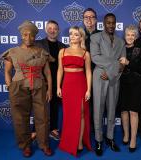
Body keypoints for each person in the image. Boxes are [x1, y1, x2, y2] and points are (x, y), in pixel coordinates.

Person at [2, 20, 53, 157]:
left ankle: (44, 144)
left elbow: (47, 72)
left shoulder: (42, 52)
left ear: (35, 36)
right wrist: (9, 85)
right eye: (25, 35)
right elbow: (7, 71)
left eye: (31, 35)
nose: (28, 38)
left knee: (42, 116)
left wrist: (50, 89)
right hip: (18, 87)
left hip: (39, 86)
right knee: (20, 118)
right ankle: (25, 145)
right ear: (21, 35)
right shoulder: (12, 52)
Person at [90, 13, 127, 156]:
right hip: (100, 76)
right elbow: (95, 57)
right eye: (108, 23)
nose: (111, 25)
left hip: (114, 77)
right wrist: (112, 67)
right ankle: (99, 140)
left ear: (116, 24)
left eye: (113, 23)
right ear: (104, 24)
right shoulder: (95, 38)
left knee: (112, 109)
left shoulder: (121, 41)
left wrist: (111, 71)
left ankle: (110, 137)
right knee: (98, 109)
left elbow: (123, 63)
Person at [57, 26, 92, 156]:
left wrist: (89, 89)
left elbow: (88, 72)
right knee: (69, 114)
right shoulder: (62, 51)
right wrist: (58, 87)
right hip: (67, 85)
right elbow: (60, 70)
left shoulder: (85, 53)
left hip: (81, 84)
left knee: (82, 112)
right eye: (71, 34)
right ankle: (69, 141)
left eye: (76, 34)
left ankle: (79, 142)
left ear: (81, 37)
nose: (72, 36)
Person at [31, 20, 66, 141]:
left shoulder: (62, 46)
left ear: (58, 31)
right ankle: (35, 130)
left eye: (55, 28)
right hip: (41, 80)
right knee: (40, 106)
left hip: (58, 80)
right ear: (46, 30)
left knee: (55, 105)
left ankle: (54, 129)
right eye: (50, 28)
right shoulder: (38, 44)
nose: (52, 30)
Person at [118, 25, 141, 152]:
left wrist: (128, 63)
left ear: (136, 36)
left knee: (133, 111)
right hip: (122, 83)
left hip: (135, 83)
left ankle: (133, 139)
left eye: (133, 35)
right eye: (128, 34)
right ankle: (126, 135)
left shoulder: (139, 49)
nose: (130, 37)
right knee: (123, 111)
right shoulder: (120, 48)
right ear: (125, 35)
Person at [82, 7, 100, 132]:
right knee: (83, 104)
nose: (89, 19)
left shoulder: (102, 35)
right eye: (86, 17)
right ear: (83, 20)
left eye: (91, 17)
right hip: (81, 75)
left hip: (98, 74)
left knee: (97, 104)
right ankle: (84, 129)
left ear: (96, 20)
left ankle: (95, 129)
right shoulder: (78, 35)